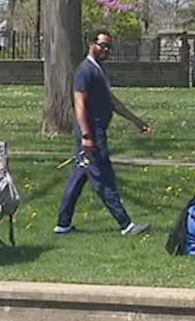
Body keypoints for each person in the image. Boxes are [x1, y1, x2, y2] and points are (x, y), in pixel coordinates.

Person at [54, 31, 154, 237]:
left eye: (109, 46)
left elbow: (112, 102)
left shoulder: (100, 70)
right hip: (92, 132)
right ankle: (126, 224)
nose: (107, 50)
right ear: (92, 44)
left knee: (79, 176)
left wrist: (137, 121)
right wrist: (86, 135)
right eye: (103, 45)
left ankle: (62, 224)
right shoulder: (85, 71)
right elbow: (79, 104)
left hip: (95, 132)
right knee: (104, 178)